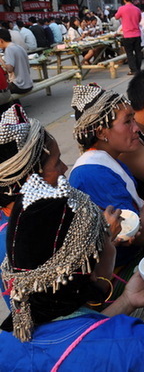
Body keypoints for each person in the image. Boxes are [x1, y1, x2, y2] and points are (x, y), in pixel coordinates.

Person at [0, 174, 144, 370]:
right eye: (108, 239)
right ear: (92, 266)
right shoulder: (131, 344)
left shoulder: (9, 337)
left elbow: (75, 339)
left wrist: (127, 301)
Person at [69, 85, 144, 264]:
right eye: (128, 122)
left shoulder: (110, 160)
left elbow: (135, 208)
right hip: (122, 267)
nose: (136, 128)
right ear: (101, 132)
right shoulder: (92, 174)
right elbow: (138, 234)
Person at [0, 105, 63, 305]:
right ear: (30, 179)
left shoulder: (41, 213)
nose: (65, 168)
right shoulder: (11, 243)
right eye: (56, 163)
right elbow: (37, 320)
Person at [115, 0, 143, 75]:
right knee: (138, 52)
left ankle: (133, 70)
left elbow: (116, 17)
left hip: (127, 35)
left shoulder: (122, 9)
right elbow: (139, 20)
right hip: (137, 34)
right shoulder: (137, 9)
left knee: (130, 53)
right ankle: (138, 68)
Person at [0, 29, 32, 95]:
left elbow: (9, 69)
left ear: (1, 40)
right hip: (29, 84)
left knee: (3, 91)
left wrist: (1, 60)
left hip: (19, 86)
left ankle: (14, 104)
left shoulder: (9, 49)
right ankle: (16, 103)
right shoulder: (18, 47)